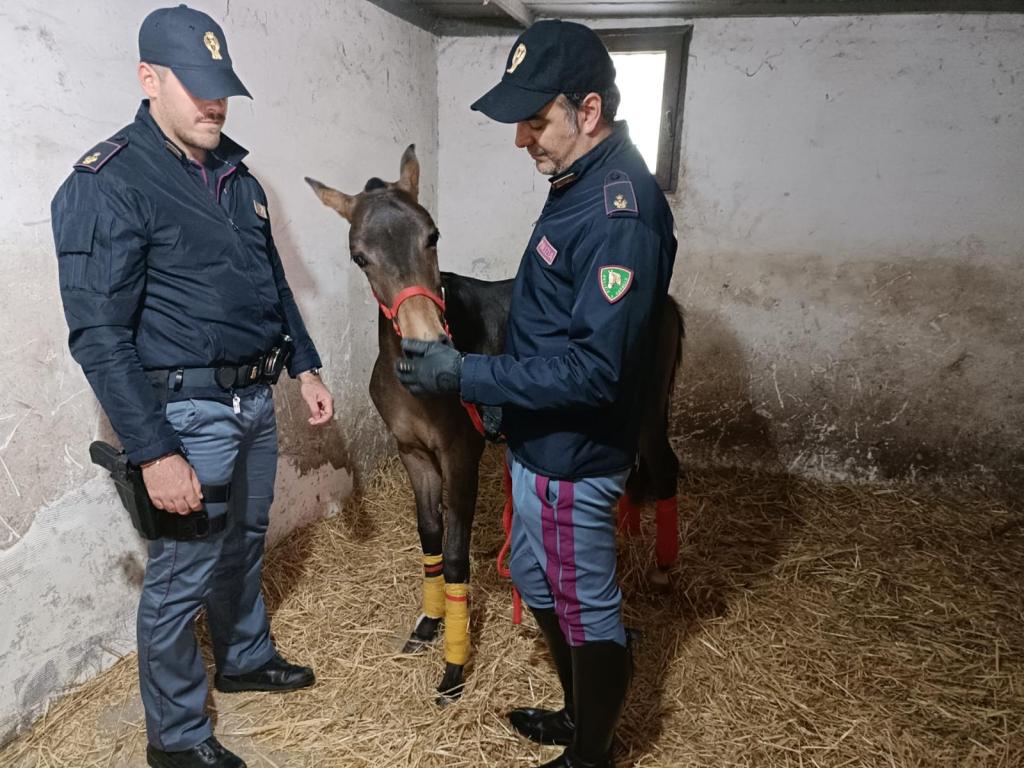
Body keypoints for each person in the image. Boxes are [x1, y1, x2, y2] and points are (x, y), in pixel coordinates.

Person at [51, 6, 334, 767]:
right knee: (180, 577)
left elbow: (272, 285)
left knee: (244, 541)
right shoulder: (109, 182)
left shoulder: (238, 179)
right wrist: (154, 451)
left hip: (255, 398)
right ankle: (176, 738)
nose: (216, 103)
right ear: (149, 79)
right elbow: (99, 336)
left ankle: (243, 658)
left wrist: (304, 366)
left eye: (223, 88)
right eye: (198, 87)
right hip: (185, 414)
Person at [395, 19, 677, 768]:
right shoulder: (576, 183)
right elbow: (550, 316)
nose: (522, 138)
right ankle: (579, 713)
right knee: (531, 573)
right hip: (537, 439)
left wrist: (466, 375)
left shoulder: (620, 214)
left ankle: (591, 754)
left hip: (575, 455)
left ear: (589, 111)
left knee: (585, 606)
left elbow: (595, 371)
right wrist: (500, 400)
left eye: (534, 119)